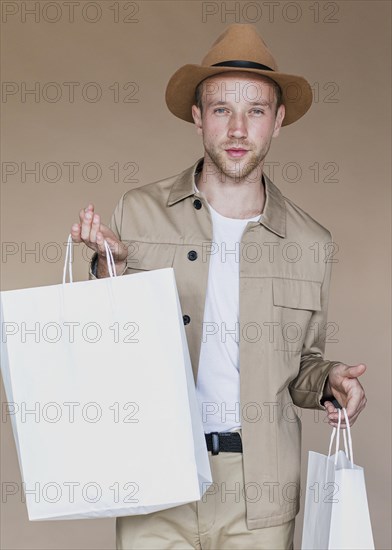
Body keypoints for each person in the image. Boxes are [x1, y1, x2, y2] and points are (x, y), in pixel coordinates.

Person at [71, 24, 367, 550]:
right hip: (156, 475)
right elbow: (96, 348)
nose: (237, 128)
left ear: (277, 122)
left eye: (254, 110)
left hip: (262, 492)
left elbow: (300, 368)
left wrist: (330, 382)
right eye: (220, 109)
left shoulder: (310, 242)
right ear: (197, 116)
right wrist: (105, 270)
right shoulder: (136, 213)